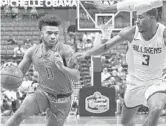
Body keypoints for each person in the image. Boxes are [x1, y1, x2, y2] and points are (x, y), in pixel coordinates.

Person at [75, 2, 166, 126]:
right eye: (135, 18)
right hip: (135, 82)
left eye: (140, 17)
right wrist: (86, 53)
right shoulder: (130, 33)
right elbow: (106, 46)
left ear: (152, 19)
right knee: (125, 122)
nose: (136, 21)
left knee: (156, 108)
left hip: (157, 81)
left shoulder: (163, 34)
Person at [4, 14, 80, 126]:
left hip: (62, 98)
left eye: (56, 33)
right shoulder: (32, 52)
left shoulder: (66, 51)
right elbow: (18, 75)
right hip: (42, 93)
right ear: (42, 34)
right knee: (19, 114)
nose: (53, 36)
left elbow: (76, 76)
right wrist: (9, 70)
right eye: (49, 33)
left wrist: (63, 68)